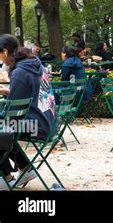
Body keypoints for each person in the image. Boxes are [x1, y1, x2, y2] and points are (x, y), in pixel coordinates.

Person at [0, 35, 56, 189]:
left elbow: (11, 112)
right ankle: (26, 169)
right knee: (7, 128)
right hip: (49, 123)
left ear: (5, 51)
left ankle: (5, 178)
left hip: (36, 126)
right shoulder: (34, 63)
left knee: (3, 129)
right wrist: (9, 92)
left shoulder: (19, 72)